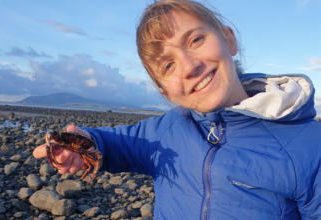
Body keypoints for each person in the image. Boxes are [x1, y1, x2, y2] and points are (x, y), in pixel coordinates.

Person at [33, 0, 321, 219]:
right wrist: (83, 144)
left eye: (196, 40)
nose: (188, 66)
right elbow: (114, 142)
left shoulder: (309, 146)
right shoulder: (165, 131)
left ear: (230, 40)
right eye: (168, 65)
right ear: (165, 92)